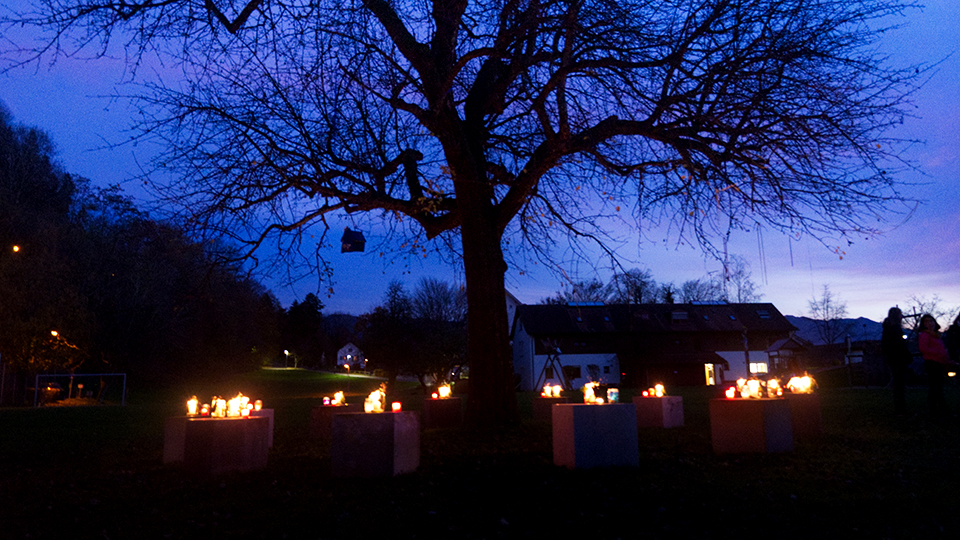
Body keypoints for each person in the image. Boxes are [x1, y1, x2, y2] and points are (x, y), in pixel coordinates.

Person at [917, 314, 951, 419]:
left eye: (931, 321)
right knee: (935, 388)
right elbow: (923, 348)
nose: (930, 323)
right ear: (923, 324)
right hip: (932, 363)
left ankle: (939, 410)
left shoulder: (936, 335)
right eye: (926, 322)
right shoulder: (924, 335)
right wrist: (938, 353)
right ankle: (936, 411)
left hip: (939, 362)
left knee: (938, 388)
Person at [881, 307, 912, 416]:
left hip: (893, 359)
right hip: (898, 359)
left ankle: (900, 408)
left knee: (898, 384)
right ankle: (901, 409)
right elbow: (897, 345)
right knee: (899, 384)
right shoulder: (894, 328)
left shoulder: (888, 328)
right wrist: (905, 354)